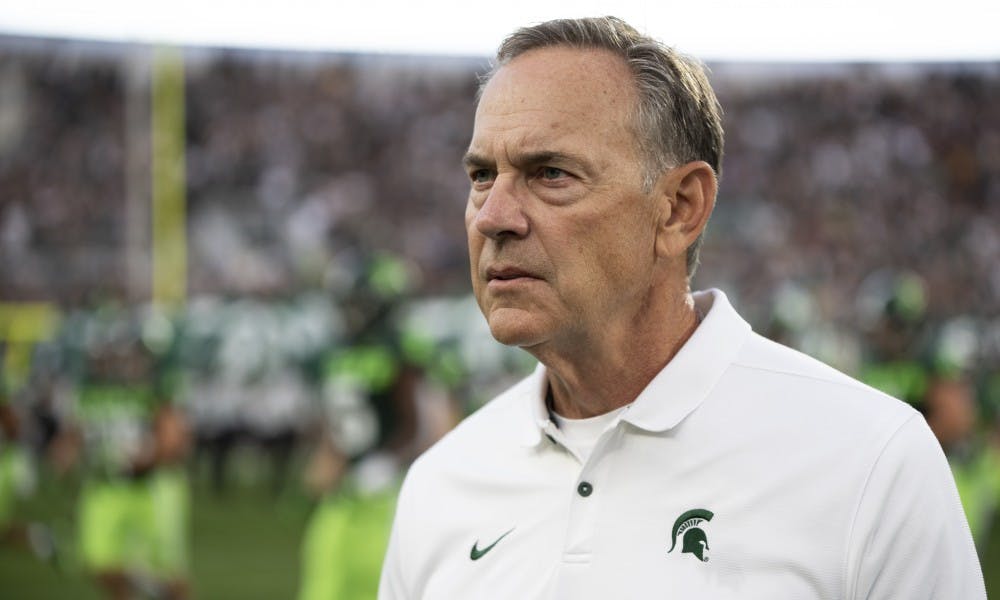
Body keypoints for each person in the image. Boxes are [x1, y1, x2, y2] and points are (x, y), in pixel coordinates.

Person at [379, 15, 985, 600]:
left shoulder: (869, 461)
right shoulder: (442, 483)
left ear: (678, 208)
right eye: (482, 176)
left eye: (551, 174)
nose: (492, 217)